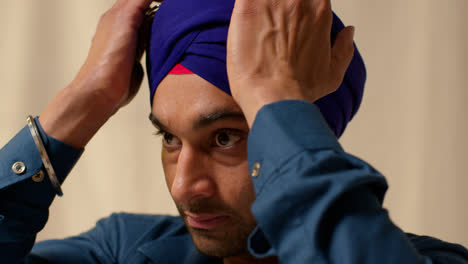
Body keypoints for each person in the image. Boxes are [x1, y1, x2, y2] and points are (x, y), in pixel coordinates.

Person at [0, 0, 467, 263]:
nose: (184, 186)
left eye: (226, 137)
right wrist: (82, 101)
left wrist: (269, 90)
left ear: (304, 127)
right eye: (169, 138)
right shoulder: (124, 251)